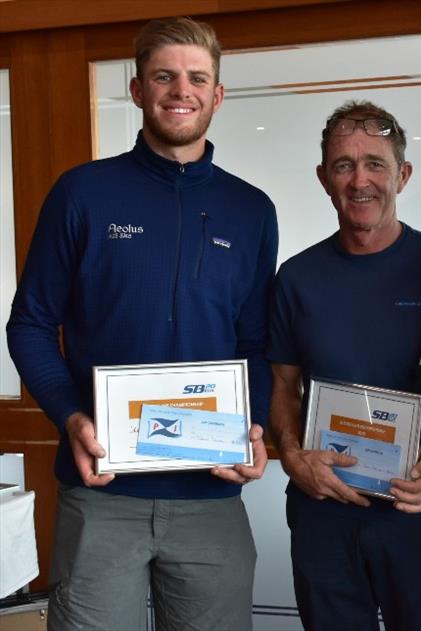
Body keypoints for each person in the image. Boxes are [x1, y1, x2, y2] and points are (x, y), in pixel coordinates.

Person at [6, 17, 277, 631]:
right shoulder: (82, 194)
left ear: (217, 95)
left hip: (211, 495)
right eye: (164, 76)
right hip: (102, 493)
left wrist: (253, 426)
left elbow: (255, 341)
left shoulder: (253, 209)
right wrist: (72, 418)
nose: (181, 90)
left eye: (197, 78)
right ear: (137, 90)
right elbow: (29, 324)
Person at [268, 100, 421, 631]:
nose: (360, 180)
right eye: (343, 165)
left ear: (402, 175)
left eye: (375, 163)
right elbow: (283, 386)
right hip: (322, 507)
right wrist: (291, 456)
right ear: (323, 178)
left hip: (418, 506)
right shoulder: (296, 278)